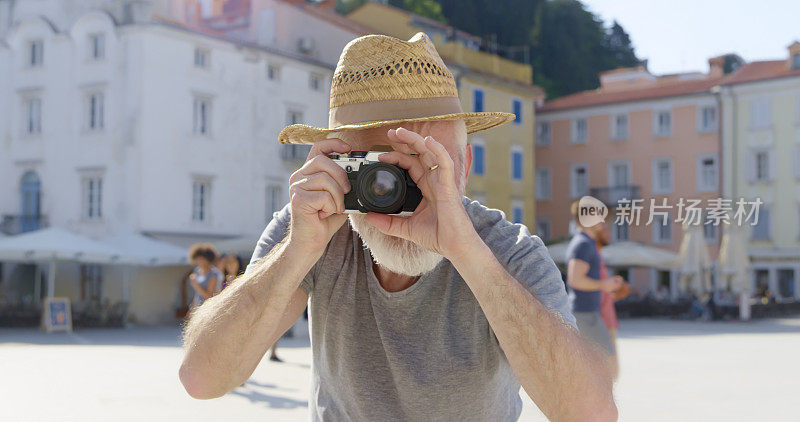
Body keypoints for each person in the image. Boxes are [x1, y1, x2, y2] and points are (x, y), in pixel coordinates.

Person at [180, 33, 617, 421]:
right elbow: (203, 379)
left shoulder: (507, 250)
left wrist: (466, 250)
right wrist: (297, 251)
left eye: (429, 166)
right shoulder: (313, 227)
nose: (404, 193)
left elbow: (591, 414)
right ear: (337, 164)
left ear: (462, 168)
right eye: (382, 171)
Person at [566, 201, 624, 377]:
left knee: (597, 365)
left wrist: (607, 285)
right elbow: (574, 279)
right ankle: (598, 403)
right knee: (608, 364)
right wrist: (603, 285)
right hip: (585, 313)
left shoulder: (587, 243)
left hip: (587, 312)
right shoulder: (583, 244)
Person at [187, 243, 223, 309]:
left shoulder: (214, 274)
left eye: (202, 259)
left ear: (208, 259)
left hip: (209, 309)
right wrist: (191, 310)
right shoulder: (197, 270)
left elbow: (209, 297)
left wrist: (195, 284)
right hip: (197, 309)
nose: (199, 261)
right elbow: (197, 295)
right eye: (198, 259)